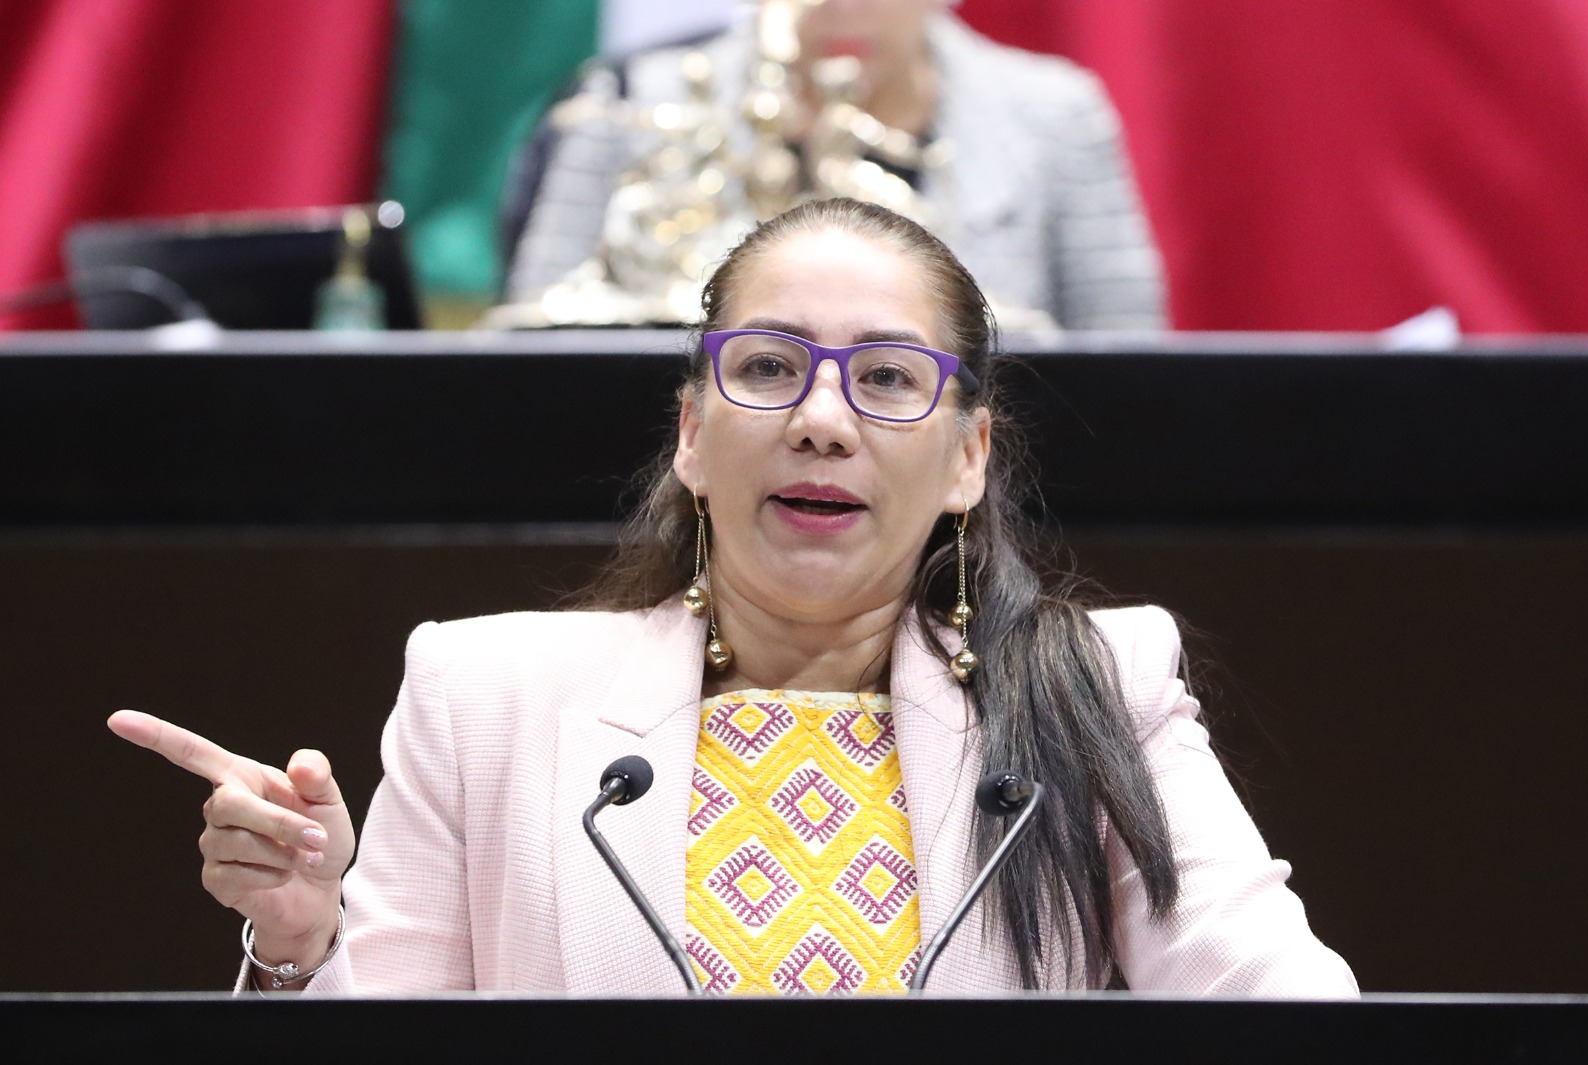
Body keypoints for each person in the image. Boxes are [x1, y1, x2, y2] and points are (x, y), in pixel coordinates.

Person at [109, 197, 1352, 996]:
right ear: (694, 435)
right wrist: (301, 944)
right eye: (767, 368)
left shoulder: (1094, 687)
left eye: (886, 378)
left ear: (968, 458)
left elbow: (1281, 1009)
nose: (821, 421)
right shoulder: (484, 696)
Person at [501, 0, 1168, 332]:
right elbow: (533, 350)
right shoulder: (629, 105)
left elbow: (1127, 372)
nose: (843, 5)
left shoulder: (1056, 115)